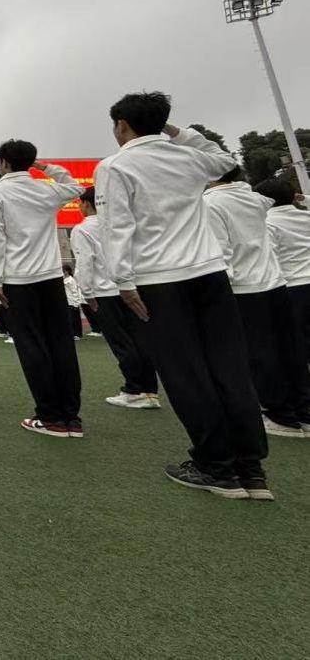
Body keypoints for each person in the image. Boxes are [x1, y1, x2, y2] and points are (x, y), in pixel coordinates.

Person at [96, 93, 269, 499]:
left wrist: (123, 281)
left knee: (186, 373)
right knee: (230, 368)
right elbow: (223, 159)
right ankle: (251, 469)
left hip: (159, 279)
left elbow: (116, 226)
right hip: (209, 274)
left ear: (122, 125)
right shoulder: (188, 156)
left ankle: (216, 467)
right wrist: (175, 130)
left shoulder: (116, 165)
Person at [0, 142, 84, 438]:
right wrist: (46, 168)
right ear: (30, 162)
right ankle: (71, 417)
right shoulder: (46, 190)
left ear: (3, 163)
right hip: (50, 277)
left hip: (18, 280)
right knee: (61, 345)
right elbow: (75, 186)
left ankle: (50, 416)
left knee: (32, 347)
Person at [204, 167, 310, 437]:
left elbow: (221, 253)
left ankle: (281, 417)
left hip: (245, 289)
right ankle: (304, 410)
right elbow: (285, 198)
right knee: (291, 350)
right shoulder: (255, 198)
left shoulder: (210, 203)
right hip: (276, 283)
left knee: (261, 355)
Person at [69, 186, 159, 409]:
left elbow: (85, 263)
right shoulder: (121, 225)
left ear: (87, 204)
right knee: (141, 340)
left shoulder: (83, 230)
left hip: (105, 292)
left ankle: (134, 389)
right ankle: (149, 391)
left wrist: (86, 292)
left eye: (80, 204)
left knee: (121, 343)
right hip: (132, 287)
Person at [256, 178, 310, 370]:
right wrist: (304, 199)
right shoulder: (306, 216)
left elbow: (270, 257)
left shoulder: (267, 224)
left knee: (302, 339)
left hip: (294, 286)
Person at [62, 265, 85, 340]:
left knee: (75, 319)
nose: (63, 272)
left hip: (72, 302)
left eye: (64, 271)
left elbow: (74, 291)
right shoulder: (63, 279)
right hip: (67, 302)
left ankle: (77, 334)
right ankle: (71, 334)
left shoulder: (71, 280)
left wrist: (76, 303)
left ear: (67, 271)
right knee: (69, 319)